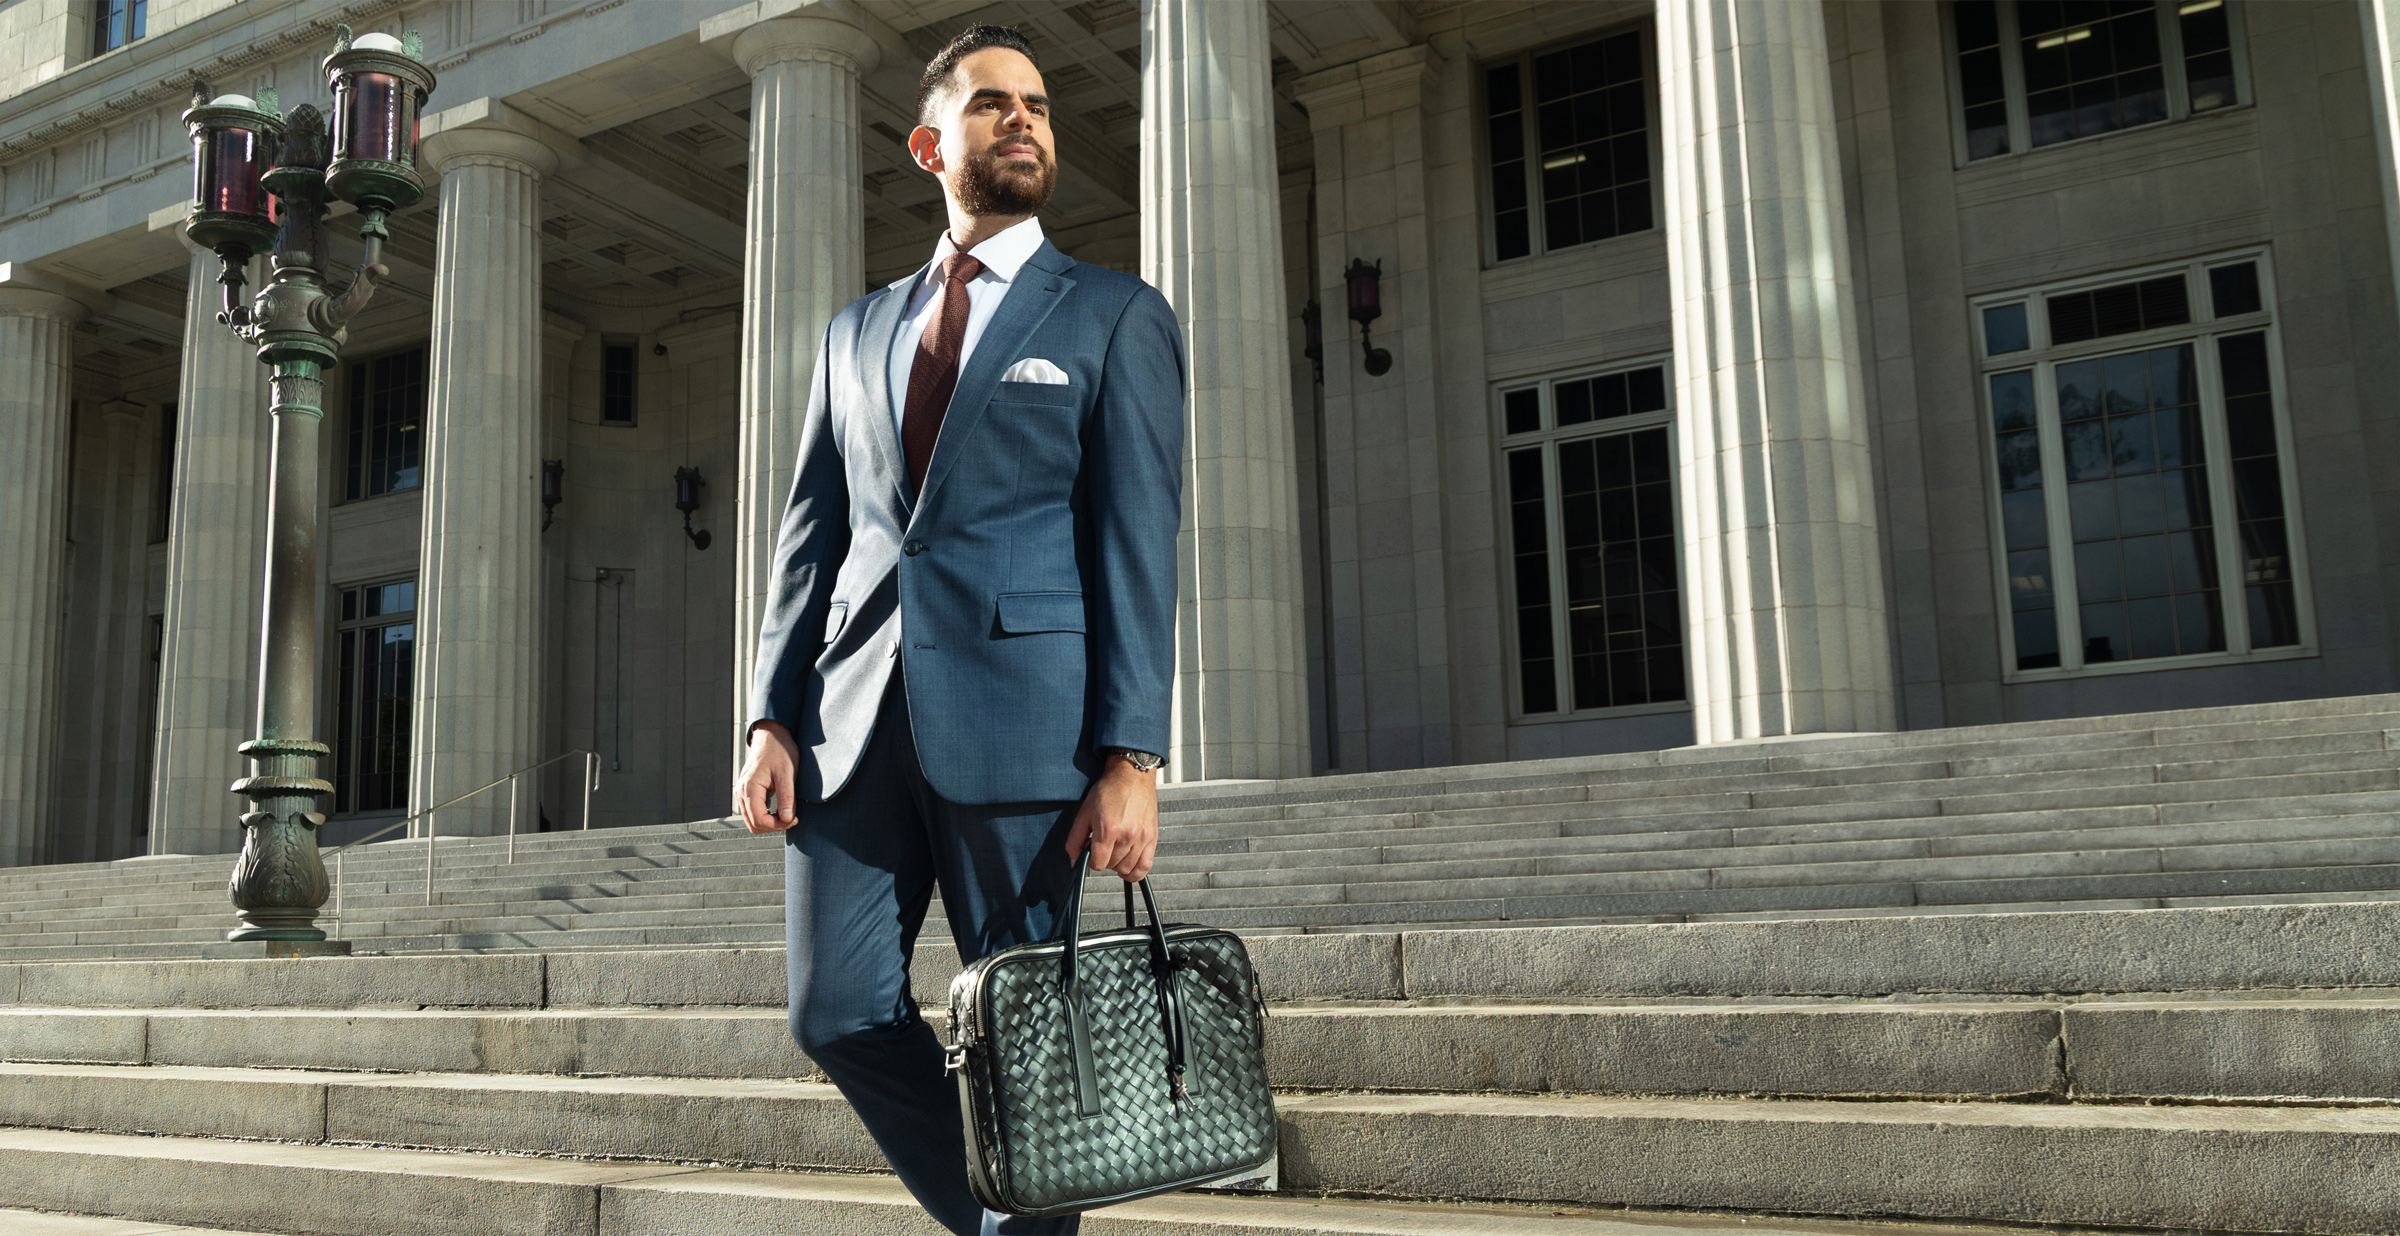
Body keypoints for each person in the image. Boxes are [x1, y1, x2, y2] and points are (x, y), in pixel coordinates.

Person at [731, 23, 1183, 1236]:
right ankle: (1005, 1218)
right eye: (994, 104)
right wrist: (773, 712)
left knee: (1029, 1040)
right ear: (933, 144)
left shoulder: (1112, 315)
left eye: (1037, 103)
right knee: (834, 1012)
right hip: (853, 722)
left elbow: (1138, 543)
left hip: (1023, 728)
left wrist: (1132, 754)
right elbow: (809, 536)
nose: (1026, 118)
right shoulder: (853, 330)